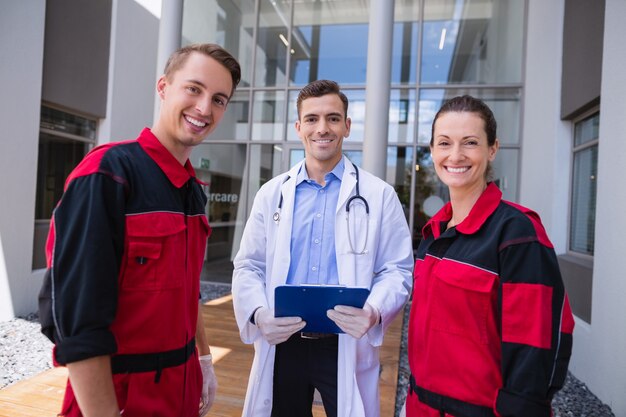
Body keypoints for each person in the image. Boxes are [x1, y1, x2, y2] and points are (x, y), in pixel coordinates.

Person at [38, 43, 241, 417]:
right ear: (163, 87)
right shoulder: (108, 174)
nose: (204, 109)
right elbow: (75, 320)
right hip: (118, 399)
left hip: (181, 392)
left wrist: (205, 359)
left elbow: (187, 288)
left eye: (218, 99)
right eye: (193, 89)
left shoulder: (193, 191)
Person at [231, 79, 413, 417]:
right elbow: (248, 266)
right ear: (299, 127)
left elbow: (397, 270)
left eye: (332, 118)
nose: (322, 128)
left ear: (347, 125)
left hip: (344, 342)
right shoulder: (272, 193)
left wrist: (373, 310)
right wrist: (258, 314)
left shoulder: (379, 194)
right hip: (284, 342)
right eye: (312, 119)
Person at [406, 95, 575, 417]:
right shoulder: (433, 232)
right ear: (432, 151)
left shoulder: (517, 234)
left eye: (470, 142)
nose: (455, 155)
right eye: (444, 143)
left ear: (492, 149)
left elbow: (537, 346)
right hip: (419, 406)